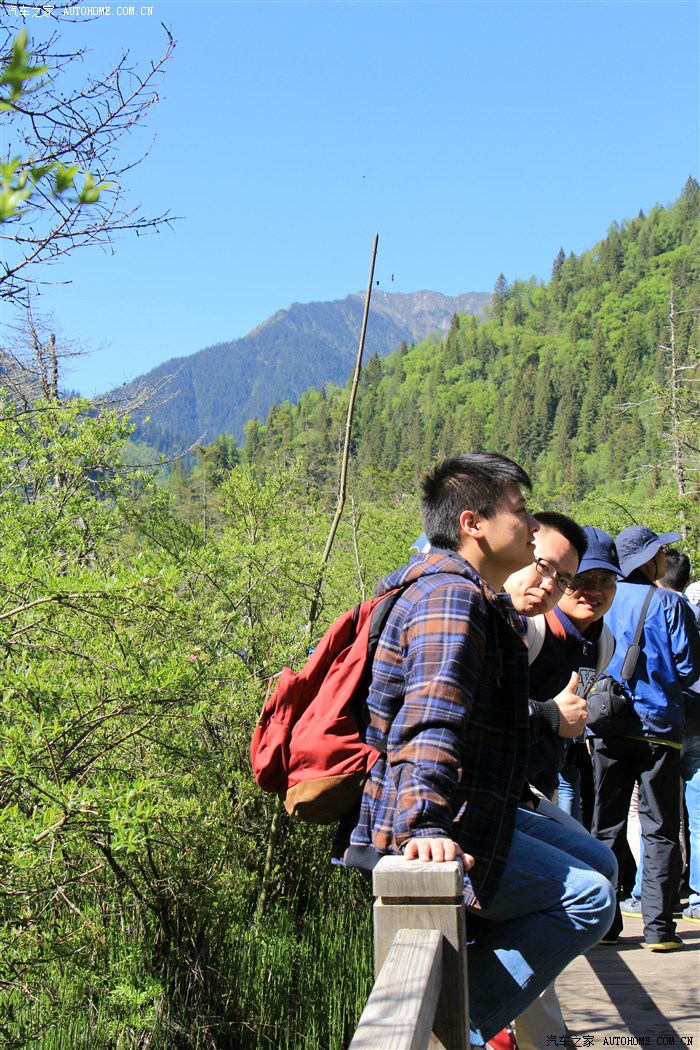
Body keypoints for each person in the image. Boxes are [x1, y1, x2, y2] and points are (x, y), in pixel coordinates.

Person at [334, 453, 616, 1048]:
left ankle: (472, 1010)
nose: (532, 527)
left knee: (603, 867)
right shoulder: (450, 598)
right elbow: (429, 719)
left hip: (475, 807)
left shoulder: (470, 594)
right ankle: (453, 1028)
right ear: (473, 523)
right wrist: (424, 825)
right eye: (520, 512)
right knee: (589, 900)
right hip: (425, 818)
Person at [503, 515, 619, 1050]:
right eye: (580, 580)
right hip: (502, 796)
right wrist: (551, 715)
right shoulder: (526, 628)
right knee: (572, 891)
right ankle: (529, 1032)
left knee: (595, 874)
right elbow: (482, 710)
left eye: (605, 581)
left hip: (536, 788)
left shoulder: (601, 643)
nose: (592, 591)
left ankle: (524, 1030)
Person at [591, 525, 700, 951]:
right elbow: (689, 668)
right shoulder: (669, 602)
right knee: (660, 828)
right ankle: (658, 929)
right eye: (659, 553)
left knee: (606, 825)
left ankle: (605, 925)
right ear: (647, 560)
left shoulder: (601, 598)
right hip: (659, 729)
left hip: (607, 725)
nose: (663, 559)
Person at [620, 547, 700, 926]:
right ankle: (691, 900)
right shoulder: (680, 607)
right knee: (690, 817)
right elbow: (688, 666)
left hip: (649, 722)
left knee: (645, 816)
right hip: (688, 722)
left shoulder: (631, 602)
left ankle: (641, 897)